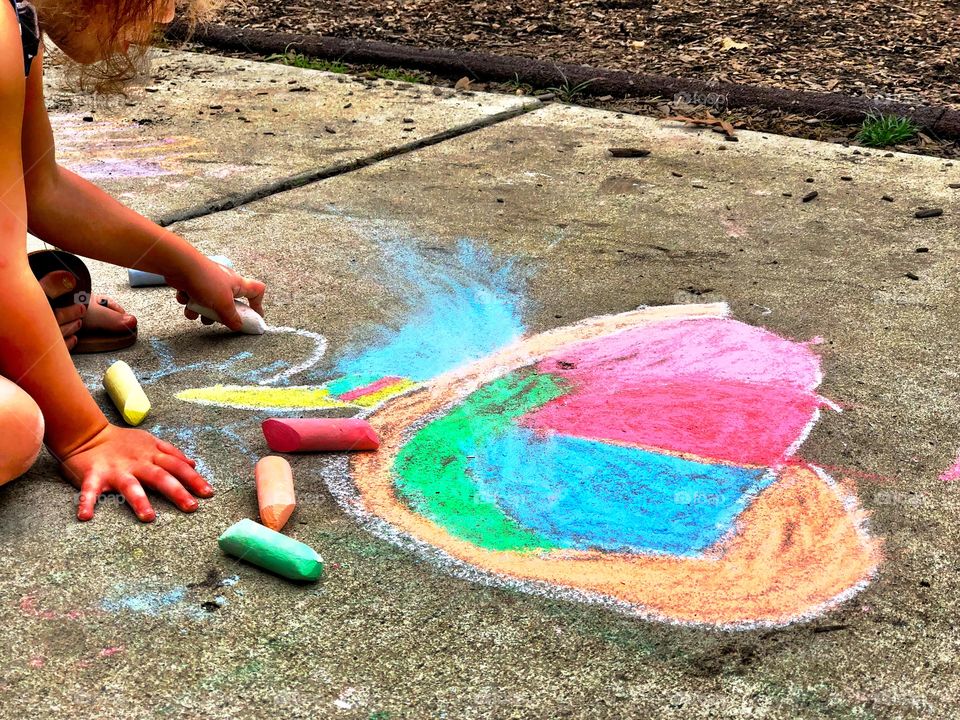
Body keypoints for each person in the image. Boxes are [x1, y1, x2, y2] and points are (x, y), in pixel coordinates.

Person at [0, 0, 266, 521]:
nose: (168, 18)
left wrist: (185, 263)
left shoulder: (16, 20)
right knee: (13, 426)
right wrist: (86, 433)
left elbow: (38, 185)